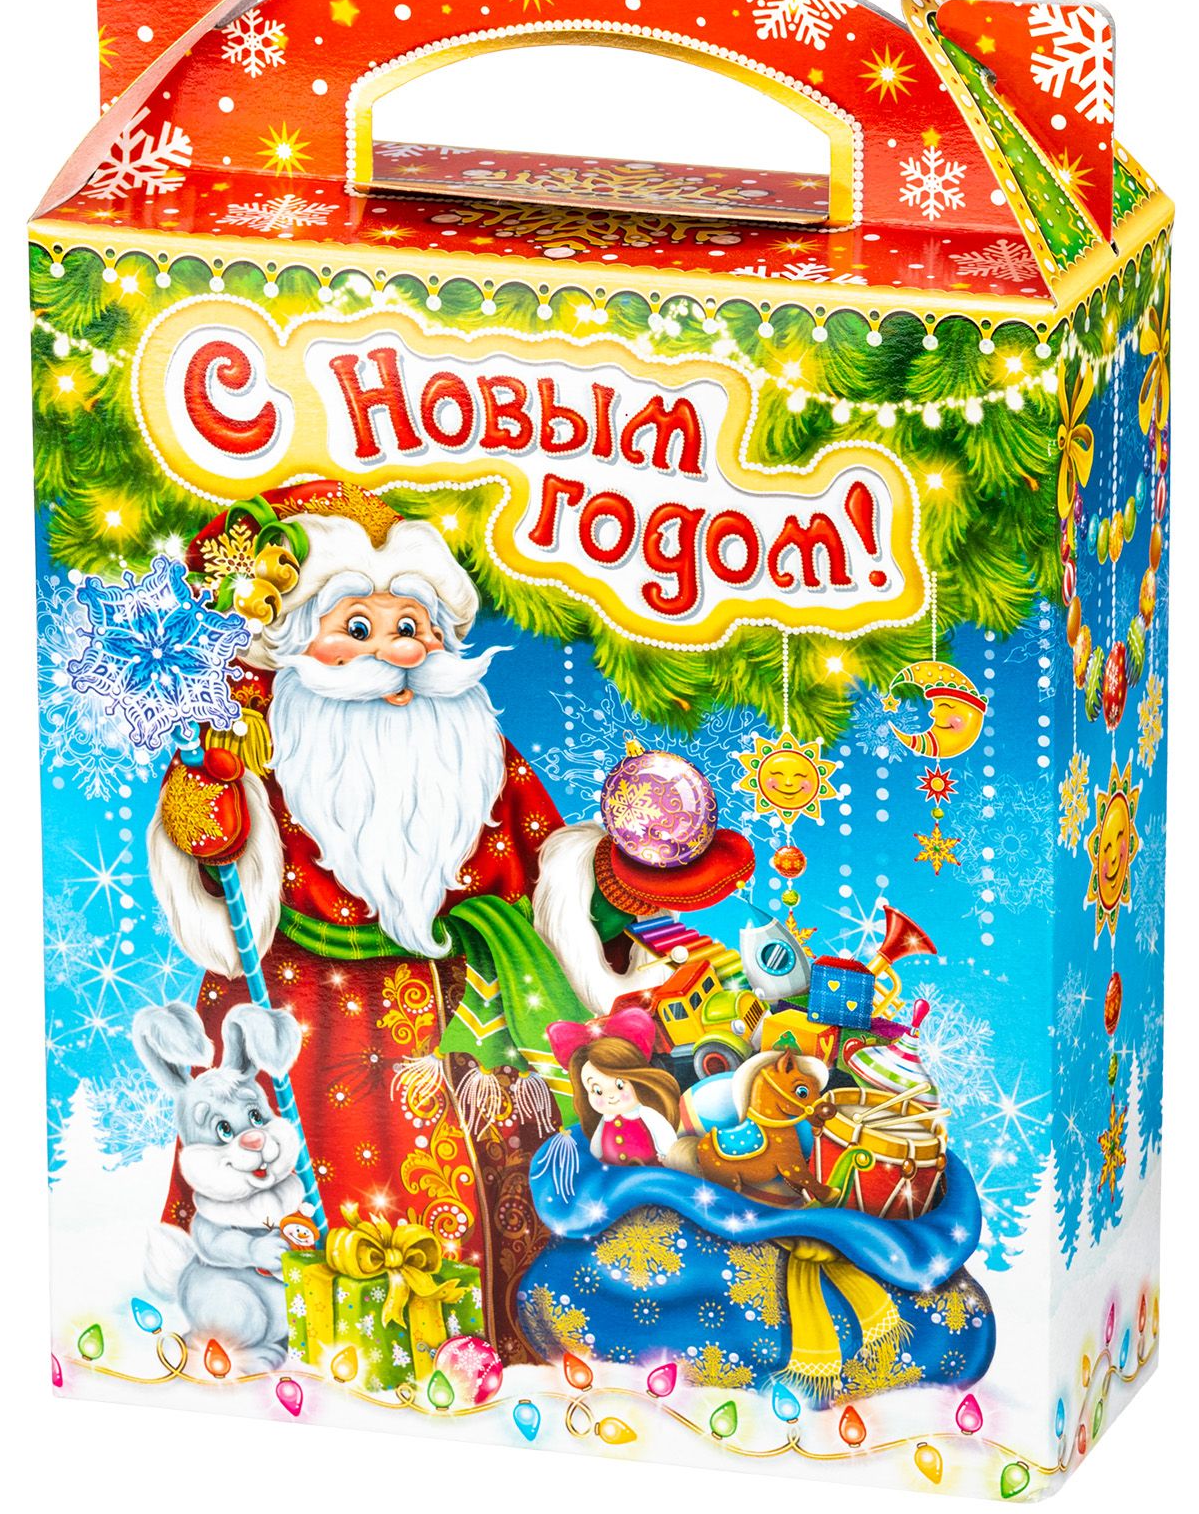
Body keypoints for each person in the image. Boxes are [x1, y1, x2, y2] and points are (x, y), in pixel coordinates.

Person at [146, 479, 752, 1356]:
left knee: (510, 1199)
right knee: (309, 1223)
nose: (395, 652)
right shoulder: (262, 745)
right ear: (296, 645)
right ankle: (311, 1335)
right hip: (307, 1014)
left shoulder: (474, 749)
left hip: (475, 1015)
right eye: (357, 626)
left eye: (413, 624)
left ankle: (521, 1328)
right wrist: (210, 782)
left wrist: (624, 881)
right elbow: (211, 849)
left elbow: (546, 873)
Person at [549, 1009, 681, 1166]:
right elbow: (596, 1149)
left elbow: (663, 1134)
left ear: (637, 1080)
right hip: (614, 1173)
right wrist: (595, 1158)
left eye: (619, 1085)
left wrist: (667, 1154)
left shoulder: (646, 1114)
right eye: (597, 1091)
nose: (611, 1095)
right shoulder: (604, 1120)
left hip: (650, 1169)